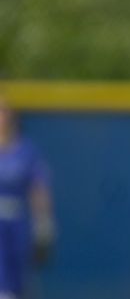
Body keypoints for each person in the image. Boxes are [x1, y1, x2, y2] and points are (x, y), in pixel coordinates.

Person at [0, 97, 55, 299]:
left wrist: (44, 226)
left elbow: (38, 189)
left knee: (18, 285)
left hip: (16, 222)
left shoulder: (26, 152)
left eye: (4, 110)